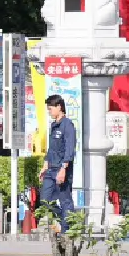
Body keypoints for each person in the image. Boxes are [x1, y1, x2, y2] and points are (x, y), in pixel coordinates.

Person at [39, 95, 75, 228]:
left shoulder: (68, 125)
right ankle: (65, 219)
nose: (49, 112)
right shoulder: (54, 126)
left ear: (59, 107)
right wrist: (45, 165)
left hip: (61, 168)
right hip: (51, 168)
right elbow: (52, 148)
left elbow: (69, 148)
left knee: (65, 200)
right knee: (45, 200)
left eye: (50, 109)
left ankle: (68, 230)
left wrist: (64, 168)